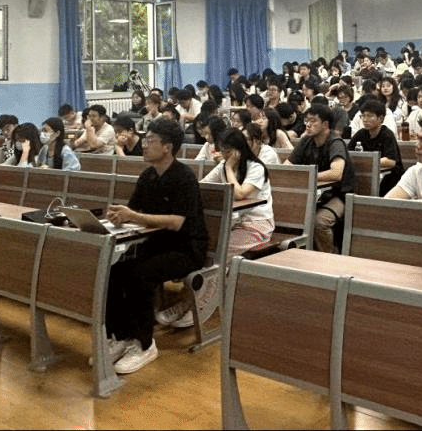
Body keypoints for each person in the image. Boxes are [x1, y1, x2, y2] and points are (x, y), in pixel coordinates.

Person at [101, 119, 207, 373]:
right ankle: (120, 336)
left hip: (186, 249)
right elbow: (134, 211)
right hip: (156, 244)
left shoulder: (184, 177)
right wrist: (118, 216)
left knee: (141, 274)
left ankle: (144, 344)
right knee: (114, 270)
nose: (144, 145)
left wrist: (133, 216)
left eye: (150, 141)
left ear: (167, 147)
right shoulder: (147, 176)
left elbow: (176, 222)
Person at [286, 104, 355, 254]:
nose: (308, 124)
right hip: (314, 194)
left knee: (320, 222)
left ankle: (328, 258)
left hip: (339, 195)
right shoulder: (306, 141)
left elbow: (336, 173)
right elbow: (287, 166)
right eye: (307, 120)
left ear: (325, 124)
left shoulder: (335, 142)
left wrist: (309, 175)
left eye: (313, 121)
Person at [203, 128, 274, 259]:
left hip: (256, 225)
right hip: (231, 223)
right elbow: (204, 185)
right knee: (202, 243)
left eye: (228, 151)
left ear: (239, 150)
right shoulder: (222, 166)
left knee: (219, 247)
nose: (224, 156)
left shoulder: (256, 168)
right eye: (222, 151)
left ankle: (221, 272)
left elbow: (239, 194)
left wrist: (229, 168)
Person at [348, 100, 404, 195]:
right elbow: (348, 153)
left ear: (381, 118)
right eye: (363, 116)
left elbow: (391, 161)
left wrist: (366, 161)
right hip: (367, 175)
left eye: (370, 116)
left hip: (390, 178)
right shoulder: (361, 134)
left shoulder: (387, 135)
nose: (365, 119)